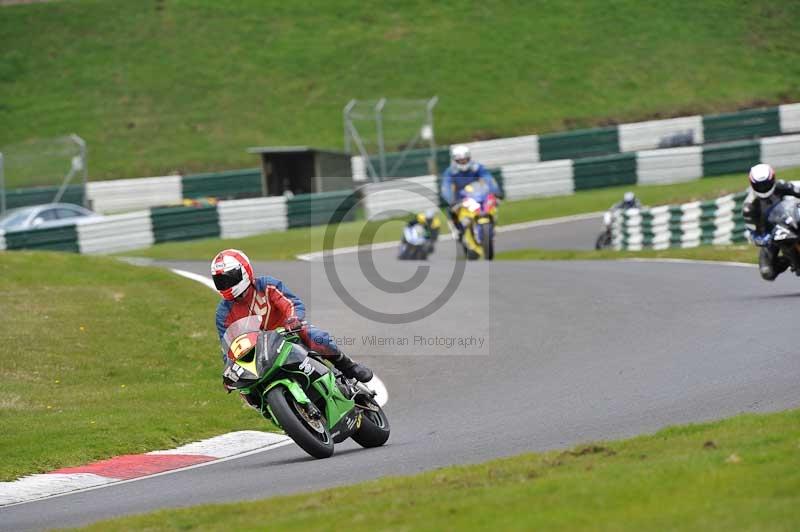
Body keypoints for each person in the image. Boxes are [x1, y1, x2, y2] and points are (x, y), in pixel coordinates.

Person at [211, 249, 374, 385]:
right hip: (259, 355)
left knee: (315, 337)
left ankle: (349, 367)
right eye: (220, 281)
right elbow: (229, 346)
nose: (226, 285)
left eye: (229, 279)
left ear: (244, 271)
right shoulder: (223, 312)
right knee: (244, 387)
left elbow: (290, 303)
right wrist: (230, 367)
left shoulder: (266, 285)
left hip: (289, 334)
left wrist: (293, 319)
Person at [742, 163, 800, 281]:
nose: (763, 188)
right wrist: (765, 239)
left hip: (789, 220)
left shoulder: (782, 186)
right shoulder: (749, 207)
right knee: (767, 272)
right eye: (759, 185)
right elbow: (753, 233)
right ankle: (788, 260)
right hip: (770, 236)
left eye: (766, 184)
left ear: (772, 179)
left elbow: (798, 192)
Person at [440, 145, 501, 242]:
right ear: (455, 160)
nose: (463, 162)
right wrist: (451, 200)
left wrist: (495, 192)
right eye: (460, 160)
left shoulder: (476, 167)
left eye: (465, 159)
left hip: (477, 194)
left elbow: (488, 178)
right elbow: (446, 187)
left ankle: (492, 223)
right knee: (451, 211)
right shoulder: (450, 172)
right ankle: (456, 229)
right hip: (460, 197)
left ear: (469, 158)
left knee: (493, 203)